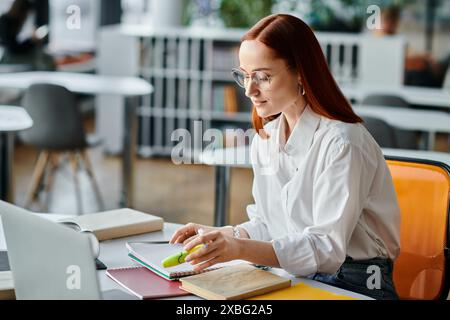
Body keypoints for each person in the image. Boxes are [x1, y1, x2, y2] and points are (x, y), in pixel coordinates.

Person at [170, 14, 401, 300]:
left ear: (301, 72)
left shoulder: (343, 143)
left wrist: (239, 249)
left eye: (263, 77)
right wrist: (223, 237)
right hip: (300, 273)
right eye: (244, 75)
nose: (249, 90)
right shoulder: (266, 139)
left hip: (357, 282)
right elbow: (270, 225)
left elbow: (326, 249)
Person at [0, 0, 55, 70]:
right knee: (45, 59)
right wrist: (32, 40)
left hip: (12, 55)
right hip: (10, 57)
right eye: (26, 14)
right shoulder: (6, 21)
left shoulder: (13, 21)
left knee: (45, 57)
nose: (26, 18)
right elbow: (13, 48)